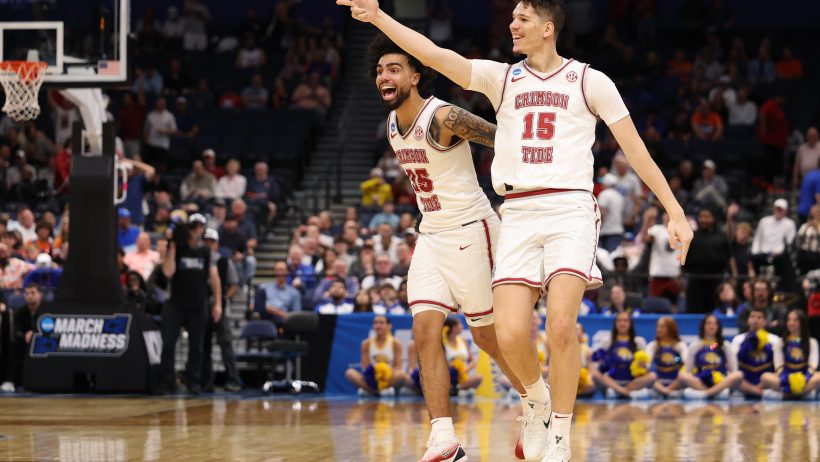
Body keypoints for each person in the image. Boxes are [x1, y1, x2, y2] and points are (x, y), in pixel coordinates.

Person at [340, 3, 693, 460]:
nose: (512, 25)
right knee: (507, 334)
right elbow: (430, 54)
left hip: (568, 207)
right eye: (511, 18)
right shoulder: (502, 78)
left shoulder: (590, 80)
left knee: (562, 324)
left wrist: (674, 209)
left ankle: (560, 441)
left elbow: (636, 149)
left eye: (522, 19)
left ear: (548, 28)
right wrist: (379, 17)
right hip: (518, 211)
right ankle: (537, 403)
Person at [359, 33, 525, 461]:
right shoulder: (394, 124)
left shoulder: (445, 117)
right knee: (423, 330)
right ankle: (444, 438)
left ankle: (538, 404)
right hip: (431, 234)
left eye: (393, 68)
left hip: (472, 230)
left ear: (415, 76)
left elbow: (505, 139)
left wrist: (520, 197)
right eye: (379, 71)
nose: (384, 76)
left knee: (487, 338)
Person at [159, 224, 222, 394]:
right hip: (176, 304)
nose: (195, 233)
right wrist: (171, 247)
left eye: (197, 229)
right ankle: (168, 381)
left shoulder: (205, 251)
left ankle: (193, 381)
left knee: (197, 346)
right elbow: (168, 272)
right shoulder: (177, 249)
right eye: (191, 230)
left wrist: (217, 304)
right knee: (168, 343)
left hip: (198, 305)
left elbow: (214, 278)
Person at [201, 229, 242, 392]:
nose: (208, 244)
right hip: (201, 307)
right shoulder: (198, 260)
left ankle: (233, 379)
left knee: (226, 343)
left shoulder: (224, 261)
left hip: (220, 307)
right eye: (206, 241)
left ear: (216, 244)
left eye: (211, 241)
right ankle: (206, 382)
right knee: (204, 345)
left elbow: (234, 284)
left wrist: (224, 299)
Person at [589, 311, 656, 399]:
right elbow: (598, 364)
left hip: (632, 381)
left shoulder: (639, 342)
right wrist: (602, 363)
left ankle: (622, 391)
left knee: (652, 376)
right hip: (612, 380)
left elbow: (646, 367)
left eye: (625, 321)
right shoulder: (607, 341)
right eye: (619, 320)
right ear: (615, 324)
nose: (622, 323)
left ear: (630, 323)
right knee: (595, 374)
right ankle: (623, 392)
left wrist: (643, 366)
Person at [758, 309, 820, 400]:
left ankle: (785, 395)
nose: (791, 322)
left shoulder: (811, 342)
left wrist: (804, 379)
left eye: (795, 320)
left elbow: (813, 365)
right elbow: (778, 365)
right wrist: (787, 380)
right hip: (785, 376)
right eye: (789, 319)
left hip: (805, 376)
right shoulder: (781, 341)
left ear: (802, 323)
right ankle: (804, 395)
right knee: (765, 377)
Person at [679, 314, 743, 399]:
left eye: (715, 323)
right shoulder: (696, 345)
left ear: (718, 327)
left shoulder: (725, 345)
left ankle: (707, 394)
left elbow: (734, 369)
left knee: (738, 375)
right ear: (703, 326)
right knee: (682, 376)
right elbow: (688, 370)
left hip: (720, 382)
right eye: (709, 323)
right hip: (700, 381)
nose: (712, 326)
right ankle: (714, 394)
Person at [344, 315, 409, 396]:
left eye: (381, 323)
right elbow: (365, 367)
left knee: (401, 374)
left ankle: (370, 391)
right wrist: (374, 376)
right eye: (375, 323)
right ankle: (375, 391)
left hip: (389, 378)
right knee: (349, 373)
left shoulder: (395, 343)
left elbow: (398, 367)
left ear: (389, 326)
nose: (378, 325)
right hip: (372, 378)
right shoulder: (366, 344)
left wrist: (384, 375)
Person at [731, 307, 783, 398]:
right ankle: (760, 393)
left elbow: (779, 366)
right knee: (734, 377)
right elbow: (733, 367)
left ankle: (756, 391)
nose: (755, 320)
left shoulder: (775, 340)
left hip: (766, 382)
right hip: (745, 382)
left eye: (759, 317)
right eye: (752, 316)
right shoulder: (738, 339)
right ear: (748, 320)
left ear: (765, 321)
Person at [646, 317, 687, 398]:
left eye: (662, 327)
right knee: (647, 374)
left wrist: (676, 359)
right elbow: (647, 365)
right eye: (658, 326)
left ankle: (668, 391)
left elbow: (685, 363)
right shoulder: (653, 345)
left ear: (671, 328)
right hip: (657, 384)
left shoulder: (680, 345)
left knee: (685, 375)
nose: (658, 329)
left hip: (676, 383)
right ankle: (665, 391)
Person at [441, 317, 483, 396]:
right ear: (453, 327)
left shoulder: (463, 340)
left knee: (478, 378)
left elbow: (473, 361)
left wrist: (464, 370)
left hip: (463, 375)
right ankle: (454, 389)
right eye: (459, 324)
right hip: (448, 375)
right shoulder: (442, 342)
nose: (462, 326)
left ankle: (456, 389)